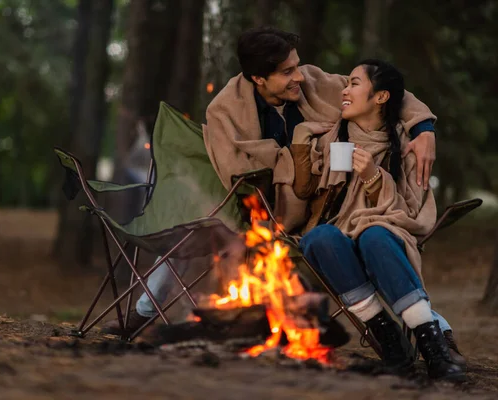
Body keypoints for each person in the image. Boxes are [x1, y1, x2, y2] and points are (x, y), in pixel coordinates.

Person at [101, 27, 462, 365]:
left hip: (328, 201)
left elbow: (388, 92)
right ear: (259, 78)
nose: (299, 77)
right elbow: (236, 172)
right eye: (288, 72)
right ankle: (146, 312)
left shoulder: (314, 83)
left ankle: (434, 331)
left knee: (376, 238)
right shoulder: (226, 111)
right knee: (192, 221)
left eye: (297, 66)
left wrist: (424, 129)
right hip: (263, 204)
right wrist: (295, 158)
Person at [292, 59, 463, 381]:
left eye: (355, 83)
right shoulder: (332, 137)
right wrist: (301, 139)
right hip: (340, 231)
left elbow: (413, 212)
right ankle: (389, 340)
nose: (345, 90)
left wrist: (373, 178)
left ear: (381, 97)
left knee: (374, 236)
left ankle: (432, 348)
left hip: (385, 232)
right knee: (318, 238)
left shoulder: (408, 146)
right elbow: (304, 191)